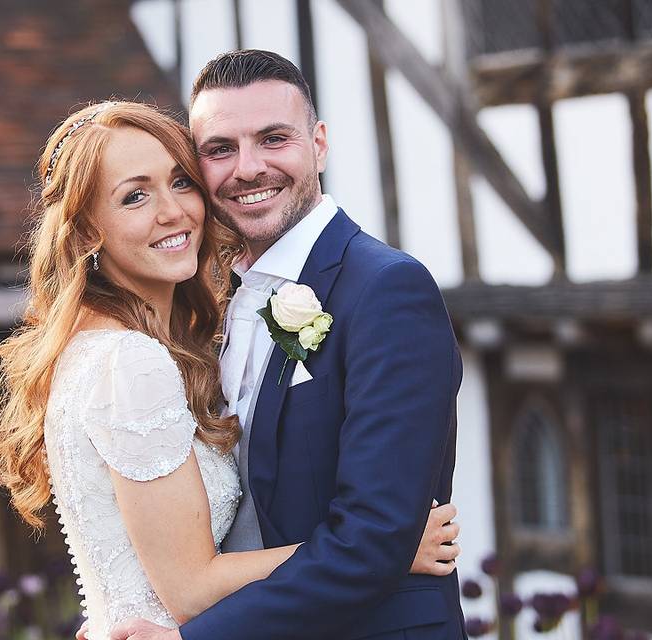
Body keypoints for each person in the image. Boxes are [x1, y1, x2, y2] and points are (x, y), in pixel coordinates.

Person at [0, 100, 458, 640]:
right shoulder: (128, 361)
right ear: (88, 231)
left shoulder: (127, 342)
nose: (173, 211)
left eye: (181, 182)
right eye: (134, 196)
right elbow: (190, 588)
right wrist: (386, 552)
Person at [112, 49, 467, 640]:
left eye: (274, 139)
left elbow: (374, 536)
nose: (248, 169)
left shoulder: (386, 289)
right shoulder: (206, 299)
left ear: (319, 143)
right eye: (220, 149)